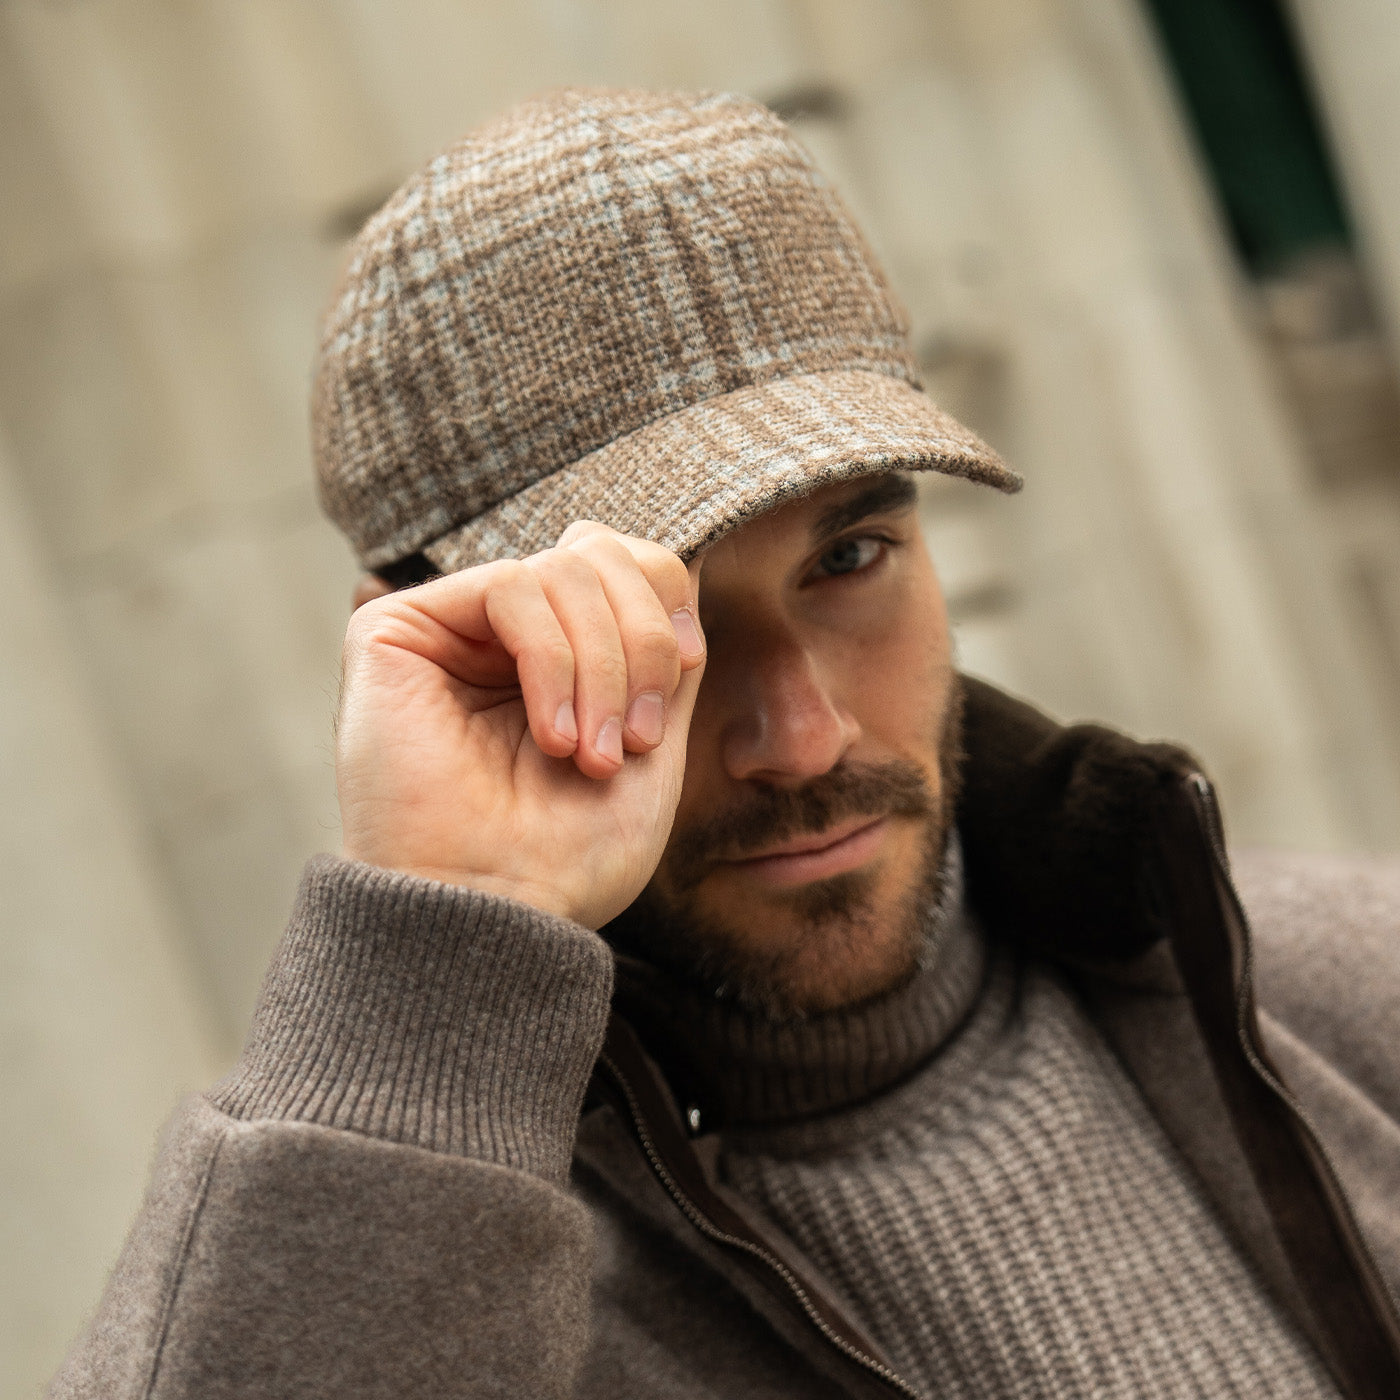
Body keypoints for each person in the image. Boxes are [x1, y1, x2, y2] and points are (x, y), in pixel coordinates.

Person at [51, 89, 1399, 1400]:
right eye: (657, 622)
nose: (799, 739)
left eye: (851, 556)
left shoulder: (1345, 990)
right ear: (431, 658)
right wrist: (435, 969)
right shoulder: (426, 1261)